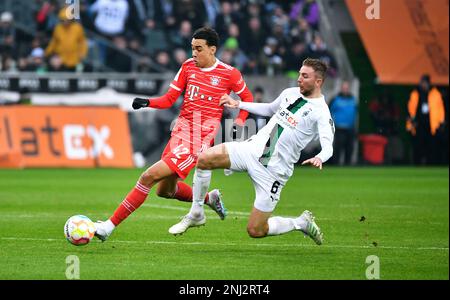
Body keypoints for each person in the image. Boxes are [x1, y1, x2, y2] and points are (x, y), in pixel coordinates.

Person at [94, 27, 254, 241]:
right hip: (180, 132)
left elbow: (248, 99)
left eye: (198, 49)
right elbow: (169, 99)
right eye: (192, 48)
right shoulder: (188, 66)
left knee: (147, 177)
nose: (194, 53)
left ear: (212, 49)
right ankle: (209, 198)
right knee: (164, 191)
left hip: (199, 137)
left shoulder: (229, 73)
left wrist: (239, 122)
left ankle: (108, 226)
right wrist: (147, 102)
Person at [169, 58, 334, 245]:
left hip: (273, 171)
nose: (299, 79)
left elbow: (328, 146)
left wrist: (320, 157)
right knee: (205, 159)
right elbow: (269, 108)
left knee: (256, 230)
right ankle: (196, 212)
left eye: (305, 76)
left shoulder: (321, 112)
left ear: (318, 81)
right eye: (299, 74)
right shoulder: (290, 93)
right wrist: (238, 104)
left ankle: (300, 223)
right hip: (251, 149)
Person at [406, 74, 445, 165]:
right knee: (418, 146)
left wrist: (441, 122)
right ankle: (417, 164)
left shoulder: (435, 94)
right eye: (421, 82)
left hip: (432, 125)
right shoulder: (415, 93)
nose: (422, 84)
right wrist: (411, 120)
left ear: (428, 83)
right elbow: (410, 108)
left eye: (424, 82)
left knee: (431, 146)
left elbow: (440, 109)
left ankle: (431, 164)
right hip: (418, 124)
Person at [329, 80, 357, 165]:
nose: (345, 89)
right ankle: (336, 164)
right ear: (341, 88)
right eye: (344, 88)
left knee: (349, 148)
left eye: (347, 88)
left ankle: (347, 165)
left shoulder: (353, 99)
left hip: (350, 128)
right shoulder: (335, 99)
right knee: (338, 147)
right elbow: (328, 112)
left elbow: (355, 112)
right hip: (339, 127)